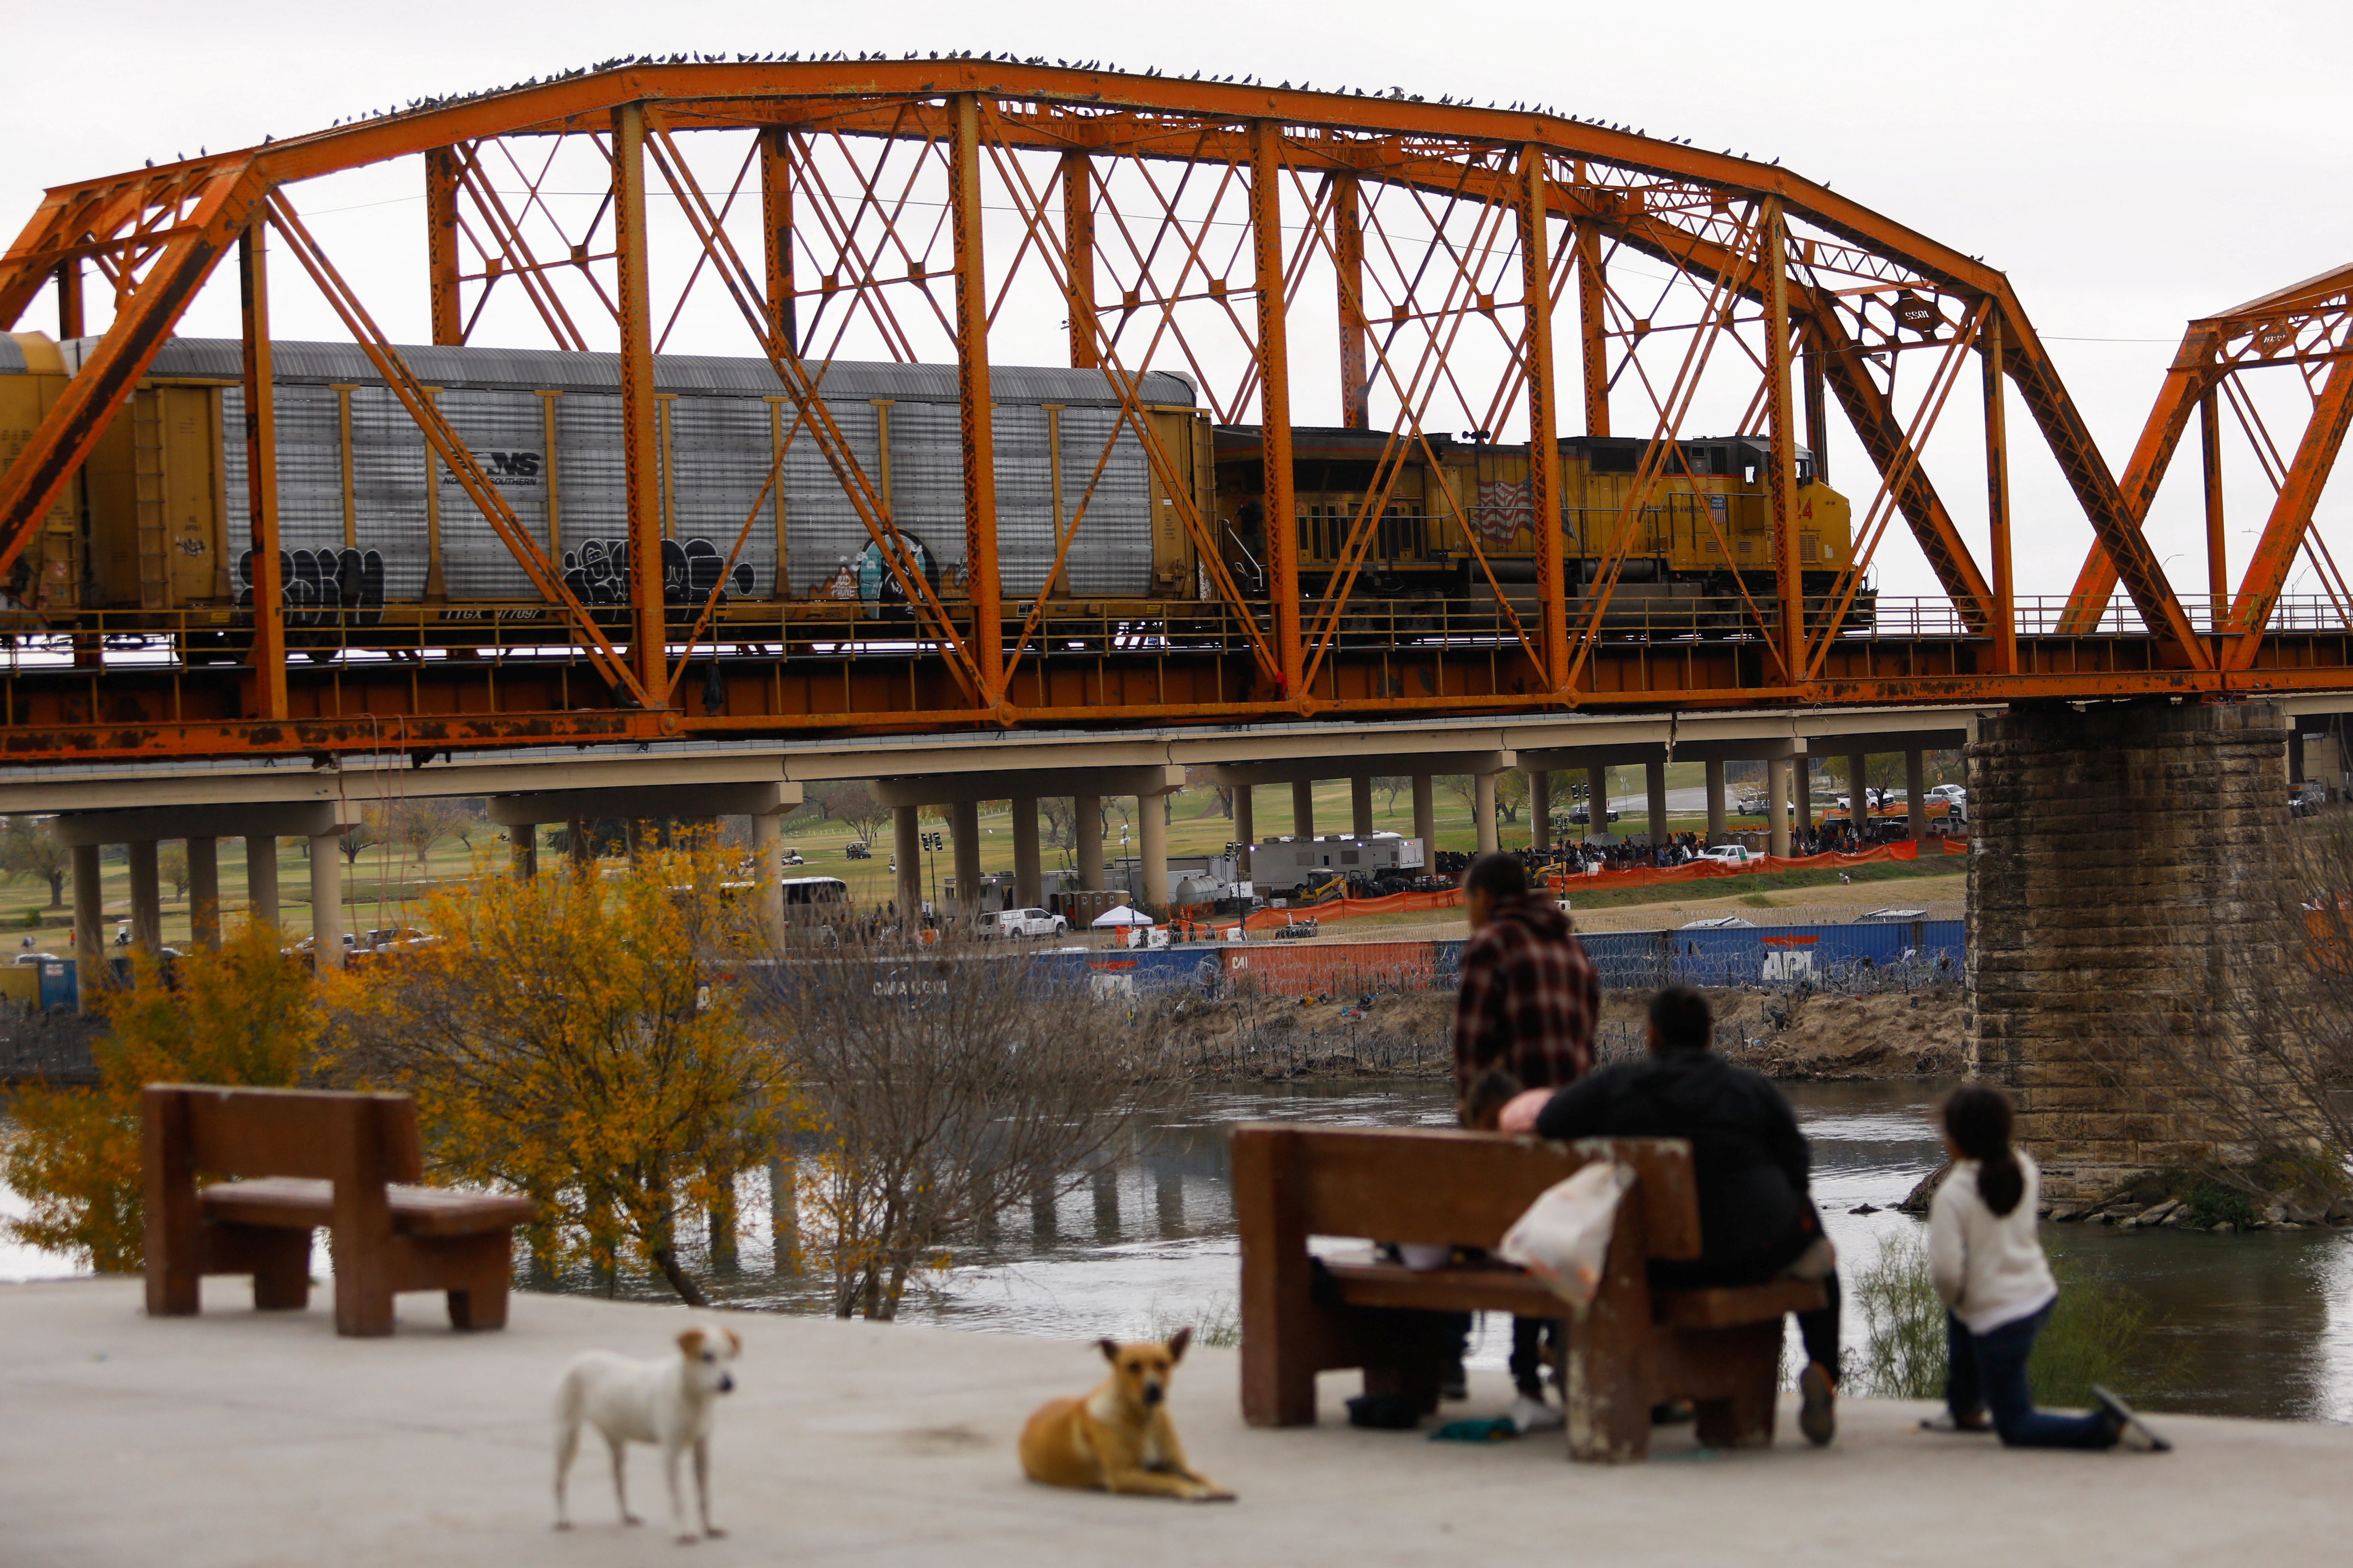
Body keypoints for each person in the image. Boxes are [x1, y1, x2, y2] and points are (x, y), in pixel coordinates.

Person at [1500, 984, 1843, 1447]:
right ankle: (1823, 1368)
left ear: (1652, 1036)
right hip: (1752, 1255)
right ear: (1708, 1036)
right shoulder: (1751, 1089)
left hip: (1652, 1262)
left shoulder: (1615, 1086)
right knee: (1818, 1255)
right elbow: (1798, 1169)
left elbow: (1549, 1123)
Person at [1928, 1086, 2168, 1450]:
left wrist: (1959, 1300)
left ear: (1957, 1138)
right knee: (1963, 1313)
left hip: (2001, 1318)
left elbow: (1946, 1276)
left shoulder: (1952, 1195)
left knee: (2016, 1426)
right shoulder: (2024, 1168)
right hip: (2039, 1296)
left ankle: (2105, 1429)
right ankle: (1965, 1408)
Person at [1449, 850, 1597, 1421]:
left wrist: (1473, 1125)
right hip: (1570, 1137)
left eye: (1466, 898)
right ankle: (1550, 1358)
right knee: (1550, 1247)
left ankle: (1450, 1357)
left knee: (1448, 1213)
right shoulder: (1572, 949)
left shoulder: (1492, 945)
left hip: (1511, 1134)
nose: (1466, 910)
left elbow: (1472, 1056)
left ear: (1485, 897)